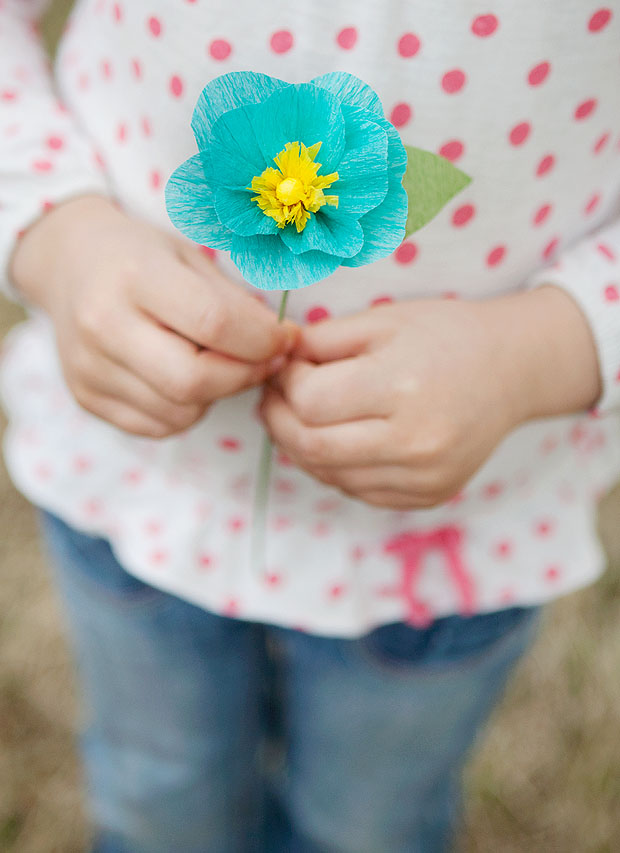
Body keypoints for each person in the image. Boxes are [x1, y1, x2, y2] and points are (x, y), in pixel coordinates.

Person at [1, 1, 619, 850]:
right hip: (146, 491)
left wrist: (549, 346)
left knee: (370, 826)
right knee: (159, 796)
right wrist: (61, 236)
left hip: (442, 545)